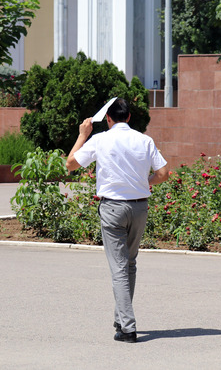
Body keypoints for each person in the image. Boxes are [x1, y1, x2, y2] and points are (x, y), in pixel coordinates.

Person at [66, 98, 169, 343]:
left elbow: (70, 164)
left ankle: (128, 327)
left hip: (113, 208)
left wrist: (83, 135)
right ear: (129, 118)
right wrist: (145, 183)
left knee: (119, 269)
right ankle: (120, 319)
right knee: (129, 264)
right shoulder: (145, 140)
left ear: (109, 119)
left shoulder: (100, 139)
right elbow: (163, 173)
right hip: (139, 207)